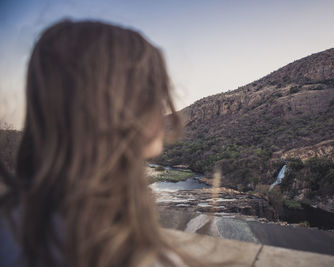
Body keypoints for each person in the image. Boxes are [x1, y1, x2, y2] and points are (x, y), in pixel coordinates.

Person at [0, 20, 203, 267]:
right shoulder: (141, 259)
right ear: (112, 109)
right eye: (151, 92)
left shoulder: (13, 220)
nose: (162, 107)